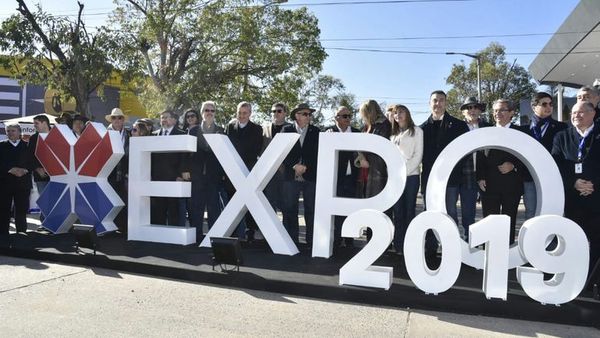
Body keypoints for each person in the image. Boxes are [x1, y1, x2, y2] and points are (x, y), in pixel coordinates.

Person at [552, 101, 600, 275]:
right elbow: (556, 164)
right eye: (573, 113)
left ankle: (593, 278)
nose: (575, 116)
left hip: (596, 195)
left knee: (596, 238)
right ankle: (572, 274)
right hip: (572, 197)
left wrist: (592, 184)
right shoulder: (562, 136)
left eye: (580, 112)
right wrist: (573, 182)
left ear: (592, 113)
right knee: (572, 237)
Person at [420, 90, 468, 259]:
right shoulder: (421, 129)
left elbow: (464, 154)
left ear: (446, 103)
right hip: (429, 181)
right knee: (429, 213)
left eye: (441, 100)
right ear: (430, 103)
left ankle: (451, 248)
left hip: (451, 180)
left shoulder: (459, 126)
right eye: (435, 100)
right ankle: (430, 249)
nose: (438, 103)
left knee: (450, 213)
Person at [476, 99, 523, 244]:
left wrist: (513, 165)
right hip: (489, 185)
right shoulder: (486, 132)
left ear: (511, 113)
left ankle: (507, 254)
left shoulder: (521, 133)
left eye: (502, 110)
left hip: (512, 185)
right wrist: (480, 177)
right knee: (489, 222)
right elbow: (480, 156)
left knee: (509, 220)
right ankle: (489, 255)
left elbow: (528, 157)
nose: (498, 113)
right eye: (495, 110)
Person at [519, 92, 567, 220]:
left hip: (552, 178)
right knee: (531, 213)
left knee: (552, 213)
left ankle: (552, 240)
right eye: (544, 104)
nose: (548, 107)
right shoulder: (522, 130)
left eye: (551, 104)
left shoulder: (561, 127)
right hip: (530, 178)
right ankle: (531, 240)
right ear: (534, 107)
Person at [281, 103, 320, 245]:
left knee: (311, 210)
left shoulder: (316, 131)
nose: (308, 116)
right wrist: (294, 165)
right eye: (305, 114)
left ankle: (312, 242)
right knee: (290, 209)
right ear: (296, 115)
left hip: (310, 177)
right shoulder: (286, 130)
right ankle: (291, 242)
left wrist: (306, 166)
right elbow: (282, 152)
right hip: (290, 177)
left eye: (309, 114)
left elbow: (318, 153)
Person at [453, 96, 491, 240]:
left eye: (475, 107)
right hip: (463, 174)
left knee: (483, 212)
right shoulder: (457, 127)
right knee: (463, 211)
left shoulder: (488, 127)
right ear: (463, 111)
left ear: (480, 110)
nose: (472, 110)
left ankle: (477, 241)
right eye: (469, 107)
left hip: (483, 174)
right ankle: (463, 241)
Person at [225, 102, 263, 240]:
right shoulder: (229, 127)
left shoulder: (257, 129)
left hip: (248, 170)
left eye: (244, 113)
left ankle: (250, 231)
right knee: (232, 203)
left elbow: (256, 149)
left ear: (250, 113)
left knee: (249, 204)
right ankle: (234, 233)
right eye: (239, 113)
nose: (241, 115)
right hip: (232, 173)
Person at [187, 101, 225, 238]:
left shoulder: (221, 131)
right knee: (196, 207)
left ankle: (213, 237)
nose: (209, 113)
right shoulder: (193, 131)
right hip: (197, 176)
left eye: (212, 110)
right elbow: (187, 154)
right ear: (202, 113)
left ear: (215, 113)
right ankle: (196, 236)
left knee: (213, 208)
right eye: (207, 110)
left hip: (214, 177)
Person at [389, 104, 423, 254]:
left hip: (411, 177)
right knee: (398, 212)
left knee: (409, 211)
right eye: (396, 113)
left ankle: (410, 246)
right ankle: (399, 245)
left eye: (401, 112)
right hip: (395, 179)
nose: (398, 115)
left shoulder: (417, 131)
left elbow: (418, 156)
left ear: (407, 114)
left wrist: (404, 172)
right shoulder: (393, 135)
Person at [325, 106, 360, 248]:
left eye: (349, 116)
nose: (348, 119)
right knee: (337, 210)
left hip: (353, 178)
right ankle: (338, 239)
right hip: (336, 178)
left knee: (352, 208)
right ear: (336, 118)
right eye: (344, 116)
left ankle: (350, 239)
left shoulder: (358, 133)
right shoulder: (329, 132)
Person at [151, 110, 186, 226]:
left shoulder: (182, 134)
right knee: (158, 210)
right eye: (162, 118)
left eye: (166, 117)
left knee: (173, 211)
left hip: (174, 178)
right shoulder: (153, 135)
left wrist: (180, 175)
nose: (163, 120)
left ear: (173, 120)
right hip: (157, 179)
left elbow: (184, 157)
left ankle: (173, 240)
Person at [0, 124, 31, 235]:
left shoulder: (28, 146)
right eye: (8, 131)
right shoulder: (1, 146)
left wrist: (25, 170)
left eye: (13, 130)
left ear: (19, 132)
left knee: (21, 211)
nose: (10, 133)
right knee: (3, 210)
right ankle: (3, 235)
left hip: (23, 184)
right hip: (4, 184)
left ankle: (21, 235)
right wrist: (10, 169)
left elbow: (33, 162)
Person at [262, 103, 291, 213]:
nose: (276, 113)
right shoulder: (264, 129)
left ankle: (286, 229)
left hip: (286, 172)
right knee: (270, 203)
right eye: (273, 111)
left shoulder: (291, 128)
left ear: (285, 113)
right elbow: (262, 149)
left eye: (279, 111)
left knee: (286, 204)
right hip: (269, 173)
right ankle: (270, 229)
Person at [106, 108, 131, 234]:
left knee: (123, 201)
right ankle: (110, 227)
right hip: (108, 173)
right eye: (114, 118)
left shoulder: (129, 134)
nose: (117, 120)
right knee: (109, 201)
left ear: (123, 120)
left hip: (125, 173)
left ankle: (122, 227)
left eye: (120, 118)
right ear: (111, 120)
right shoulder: (104, 134)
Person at [26, 114, 51, 223]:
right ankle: (45, 223)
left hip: (59, 175)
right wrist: (37, 168)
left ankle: (56, 223)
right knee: (44, 199)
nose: (34, 126)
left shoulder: (57, 135)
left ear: (44, 123)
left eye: (36, 123)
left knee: (57, 200)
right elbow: (30, 156)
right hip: (41, 176)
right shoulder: (34, 138)